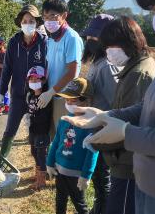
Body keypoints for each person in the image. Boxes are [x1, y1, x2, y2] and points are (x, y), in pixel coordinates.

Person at [63, 0, 155, 211]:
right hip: (143, 175)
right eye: (154, 11)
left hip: (131, 167)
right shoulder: (133, 68)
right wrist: (106, 116)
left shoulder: (140, 73)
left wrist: (121, 132)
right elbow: (146, 107)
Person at [0, 5, 47, 157]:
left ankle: (42, 166)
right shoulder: (13, 42)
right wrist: (1, 91)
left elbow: (48, 68)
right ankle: (1, 161)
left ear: (37, 23)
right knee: (10, 130)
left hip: (38, 96)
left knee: (39, 132)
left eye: (31, 21)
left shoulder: (44, 42)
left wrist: (44, 88)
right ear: (20, 23)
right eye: (24, 21)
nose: (27, 24)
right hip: (18, 95)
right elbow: (7, 69)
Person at [80, 14, 117, 214]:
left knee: (103, 179)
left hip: (104, 130)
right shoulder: (96, 62)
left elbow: (114, 104)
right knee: (98, 177)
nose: (90, 40)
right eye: (89, 37)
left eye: (95, 37)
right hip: (94, 128)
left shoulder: (107, 66)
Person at [46, 78, 98, 214]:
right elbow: (56, 142)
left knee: (79, 204)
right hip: (59, 171)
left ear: (85, 100)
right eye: (67, 100)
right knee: (60, 200)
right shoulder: (64, 120)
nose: (68, 103)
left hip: (76, 175)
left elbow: (92, 152)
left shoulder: (90, 124)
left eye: (73, 100)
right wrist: (50, 163)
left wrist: (86, 175)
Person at [40, 0, 84, 139]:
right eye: (45, 17)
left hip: (64, 98)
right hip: (51, 95)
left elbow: (72, 72)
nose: (48, 21)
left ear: (64, 15)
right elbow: (50, 66)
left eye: (53, 15)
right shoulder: (52, 38)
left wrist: (51, 92)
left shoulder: (71, 38)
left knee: (64, 139)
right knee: (52, 138)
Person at [26, 66, 52, 190]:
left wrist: (34, 119)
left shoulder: (45, 98)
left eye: (37, 79)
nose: (34, 82)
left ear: (43, 80)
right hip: (33, 130)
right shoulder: (31, 96)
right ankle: (38, 174)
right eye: (31, 79)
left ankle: (42, 181)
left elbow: (44, 117)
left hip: (42, 131)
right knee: (34, 152)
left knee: (41, 154)